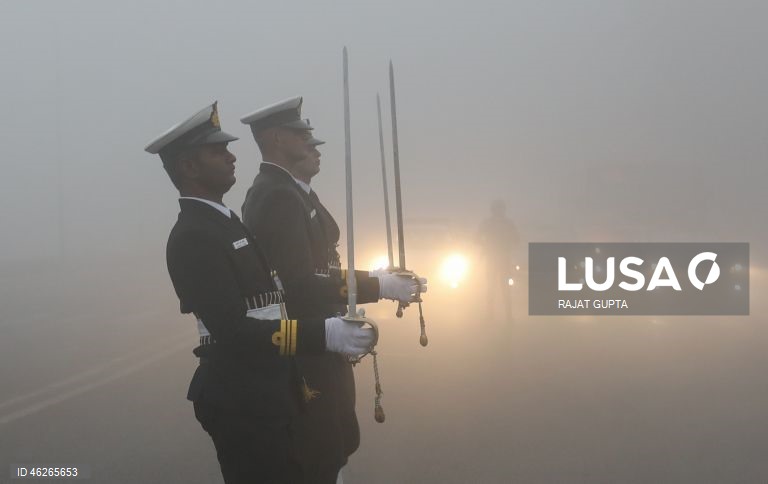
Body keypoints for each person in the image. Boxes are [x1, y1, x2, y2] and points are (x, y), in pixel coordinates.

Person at [145, 101, 382, 484]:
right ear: (189, 167)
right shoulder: (193, 237)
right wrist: (324, 334)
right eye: (217, 152)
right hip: (240, 396)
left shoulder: (224, 223)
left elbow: (273, 302)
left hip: (267, 388)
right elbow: (234, 330)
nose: (232, 157)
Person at [239, 96, 426, 484]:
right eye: (301, 134)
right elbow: (301, 283)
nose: (310, 143)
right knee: (317, 455)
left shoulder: (292, 192)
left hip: (321, 337)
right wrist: (377, 286)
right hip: (305, 345)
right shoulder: (275, 195)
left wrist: (373, 279)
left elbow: (322, 270)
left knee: (333, 448)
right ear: (276, 138)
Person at [477, 199, 520, 322]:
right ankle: (506, 316)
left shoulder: (488, 223)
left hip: (496, 259)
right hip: (501, 259)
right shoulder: (507, 223)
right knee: (501, 288)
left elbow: (477, 239)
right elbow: (516, 239)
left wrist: (487, 244)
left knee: (494, 288)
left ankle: (496, 316)